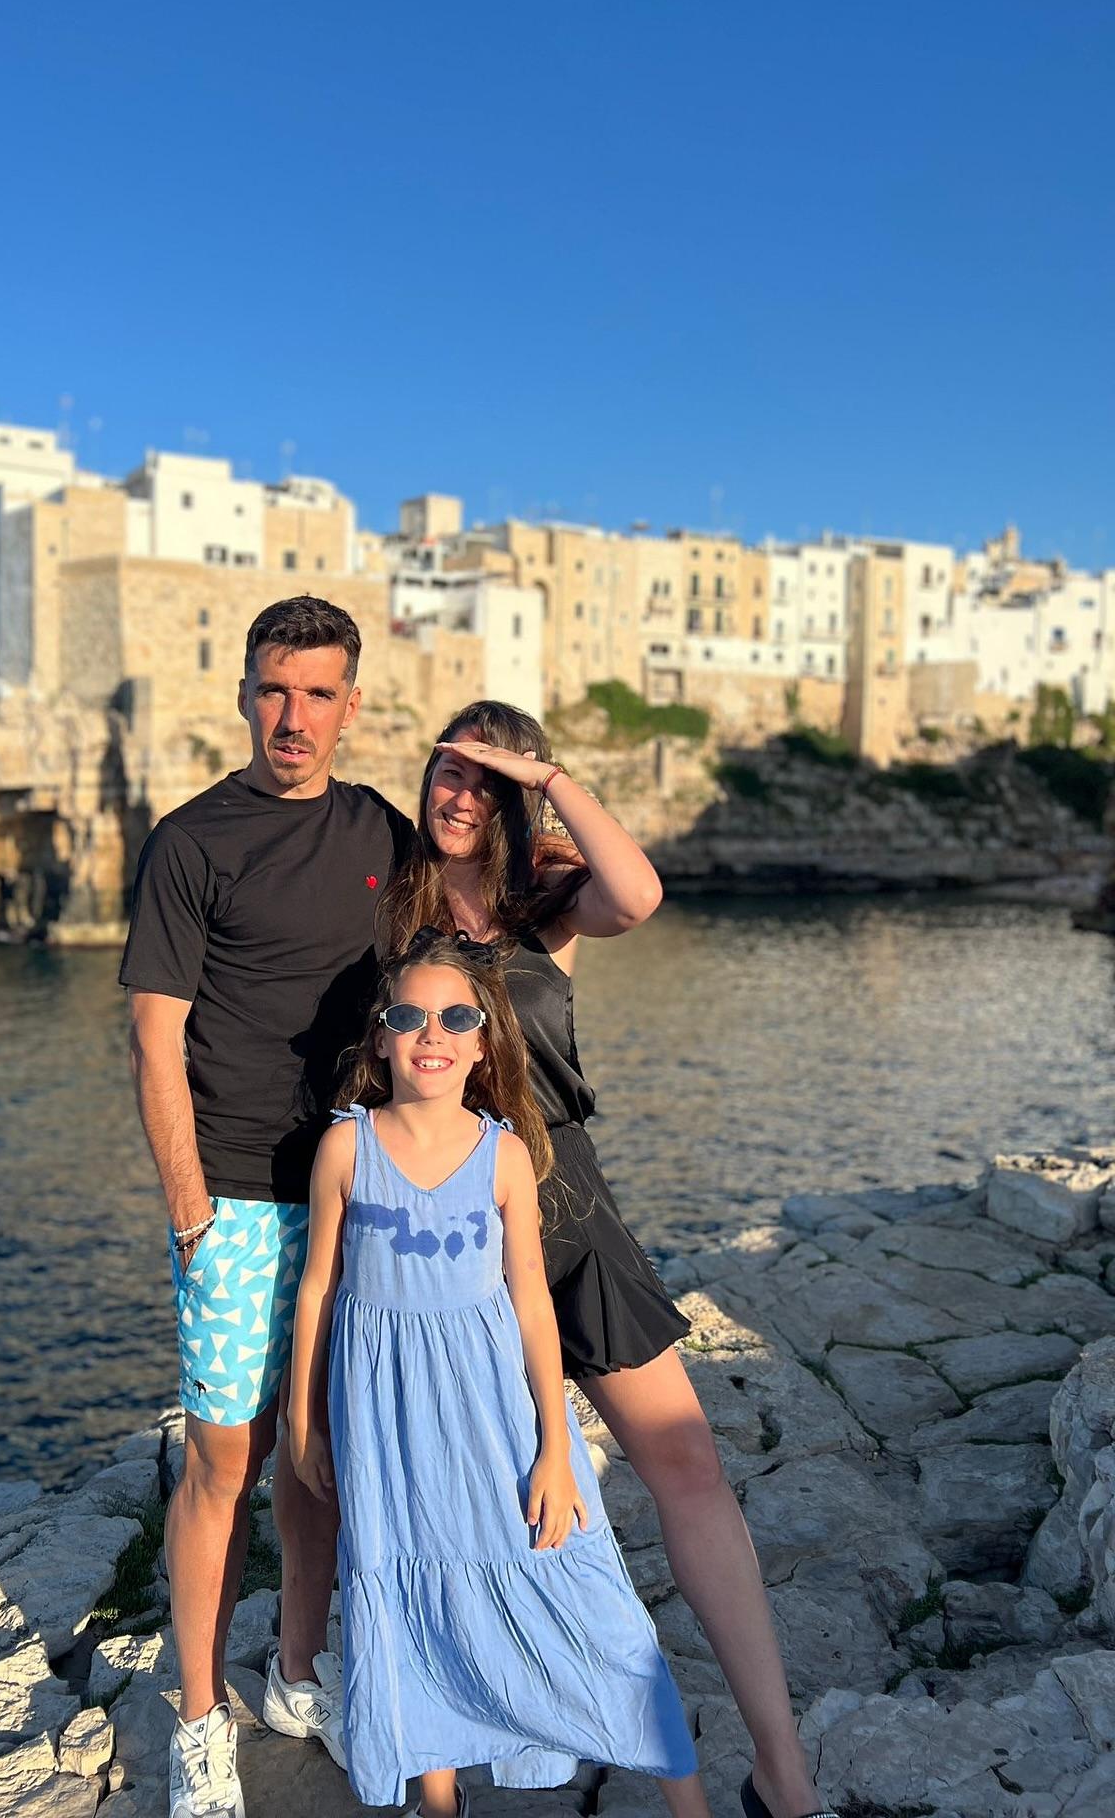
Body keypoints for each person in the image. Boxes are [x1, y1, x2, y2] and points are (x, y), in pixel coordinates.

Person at [380, 701, 836, 1818]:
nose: (459, 795)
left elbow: (639, 894)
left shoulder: (545, 897)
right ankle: (450, 1765)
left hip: (568, 1211)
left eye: (486, 781)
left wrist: (549, 777)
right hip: (445, 1227)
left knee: (687, 1465)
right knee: (456, 1501)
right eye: (447, 771)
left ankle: (782, 1773)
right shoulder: (388, 894)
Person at [288, 928, 709, 1818]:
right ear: (380, 1039)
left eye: (456, 1019)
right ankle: (439, 1800)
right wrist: (303, 1420)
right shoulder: (346, 1149)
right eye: (408, 1017)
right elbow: (318, 1287)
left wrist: (557, 1446)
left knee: (580, 1590)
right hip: (385, 1425)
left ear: (483, 1044)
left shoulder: (505, 1154)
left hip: (492, 1417)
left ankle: (689, 1799)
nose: (431, 1035)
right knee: (408, 1589)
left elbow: (531, 1306)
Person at [121, 596, 409, 1818]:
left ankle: (295, 1676)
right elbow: (155, 1041)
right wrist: (191, 1217)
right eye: (275, 690)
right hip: (235, 1201)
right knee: (223, 1463)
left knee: (320, 1452)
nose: (294, 716)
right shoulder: (191, 842)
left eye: (318, 693)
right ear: (245, 695)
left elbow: (480, 934)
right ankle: (197, 1722)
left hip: (355, 1190)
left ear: (351, 705)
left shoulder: (384, 831)